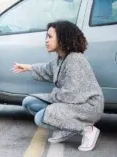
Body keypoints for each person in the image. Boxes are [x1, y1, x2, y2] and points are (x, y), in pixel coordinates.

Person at [11, 20, 104, 152]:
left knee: (41, 118)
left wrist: (52, 98)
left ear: (62, 38)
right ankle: (67, 127)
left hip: (88, 106)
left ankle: (88, 130)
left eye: (50, 37)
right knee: (29, 102)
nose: (46, 40)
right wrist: (27, 67)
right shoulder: (60, 59)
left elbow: (72, 95)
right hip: (73, 102)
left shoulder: (75, 60)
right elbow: (46, 69)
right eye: (46, 37)